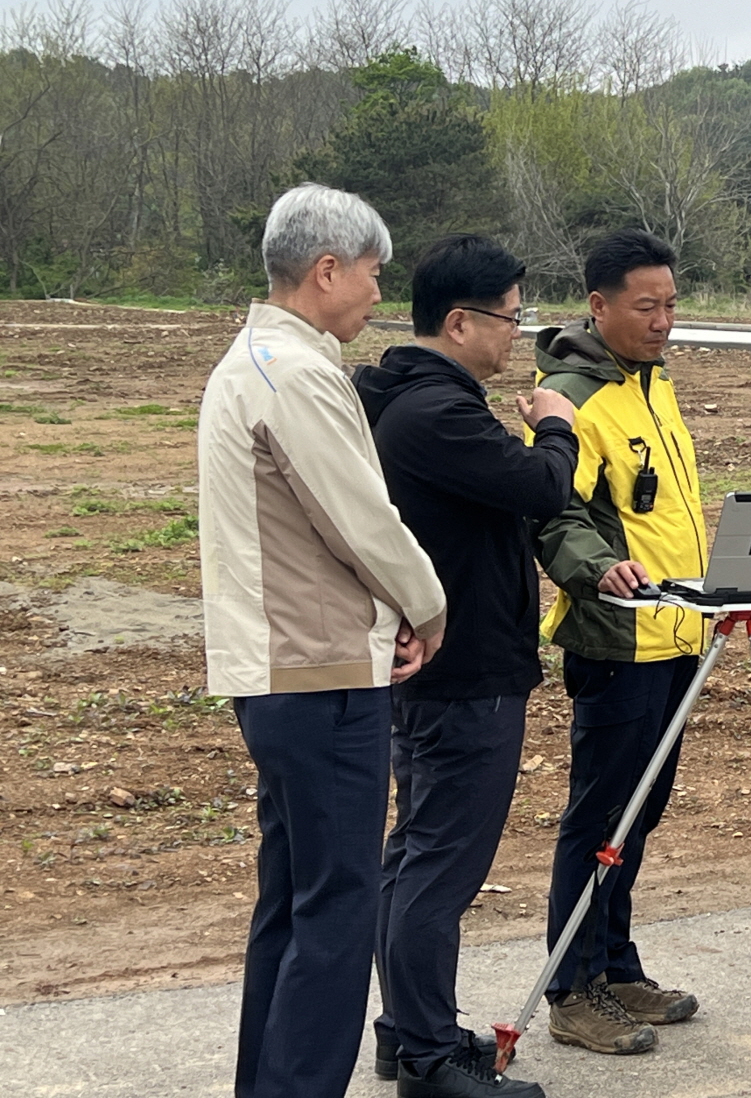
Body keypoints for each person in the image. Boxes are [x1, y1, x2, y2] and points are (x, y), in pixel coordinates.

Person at [198, 183, 446, 1098]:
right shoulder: (295, 373)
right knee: (338, 913)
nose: (379, 295)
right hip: (322, 671)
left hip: (279, 669)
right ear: (327, 270)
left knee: (294, 905)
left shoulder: (251, 358)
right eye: (374, 275)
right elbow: (363, 520)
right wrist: (428, 607)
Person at [354, 235, 582, 1098]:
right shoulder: (436, 414)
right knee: (439, 866)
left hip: (436, 667)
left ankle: (407, 1030)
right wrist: (555, 426)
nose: (515, 339)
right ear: (459, 321)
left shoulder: (398, 398)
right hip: (468, 670)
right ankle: (427, 1056)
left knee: (415, 852)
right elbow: (539, 487)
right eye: (510, 322)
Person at [530, 230, 706, 1057]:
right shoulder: (574, 396)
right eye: (647, 307)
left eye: (670, 304)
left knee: (639, 817)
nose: (664, 320)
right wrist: (597, 570)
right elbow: (554, 513)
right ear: (599, 307)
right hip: (617, 638)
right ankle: (570, 990)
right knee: (599, 817)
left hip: (680, 632)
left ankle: (616, 964)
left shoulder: (652, 382)